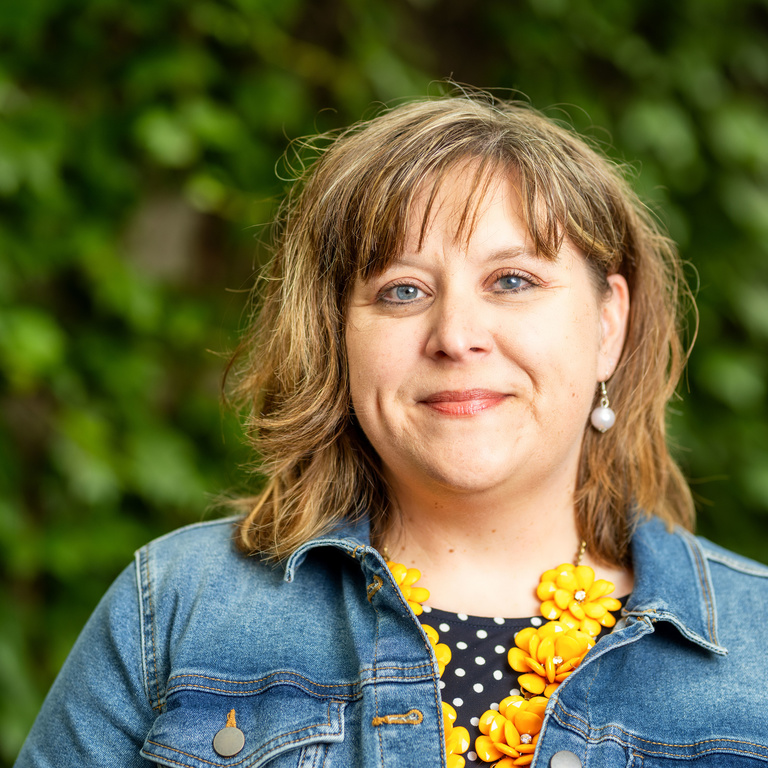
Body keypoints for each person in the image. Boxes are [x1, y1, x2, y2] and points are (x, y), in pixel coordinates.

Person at [14, 92, 768, 768]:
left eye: (512, 281)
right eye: (402, 291)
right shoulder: (175, 608)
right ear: (337, 338)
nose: (457, 335)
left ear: (609, 323)